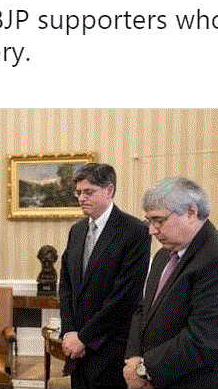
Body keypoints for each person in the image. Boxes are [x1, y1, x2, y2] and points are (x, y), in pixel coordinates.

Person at [123, 177, 218, 389]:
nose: (152, 230)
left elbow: (205, 338)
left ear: (191, 213)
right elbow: (143, 310)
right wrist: (134, 358)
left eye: (159, 220)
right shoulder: (163, 256)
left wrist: (145, 369)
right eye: (149, 221)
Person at [59, 163, 151, 389]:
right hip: (77, 353)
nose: (81, 198)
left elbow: (124, 297)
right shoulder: (77, 230)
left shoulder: (135, 231)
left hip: (110, 350)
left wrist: (84, 338)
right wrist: (70, 331)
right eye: (78, 192)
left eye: (88, 192)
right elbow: (67, 285)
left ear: (109, 190)